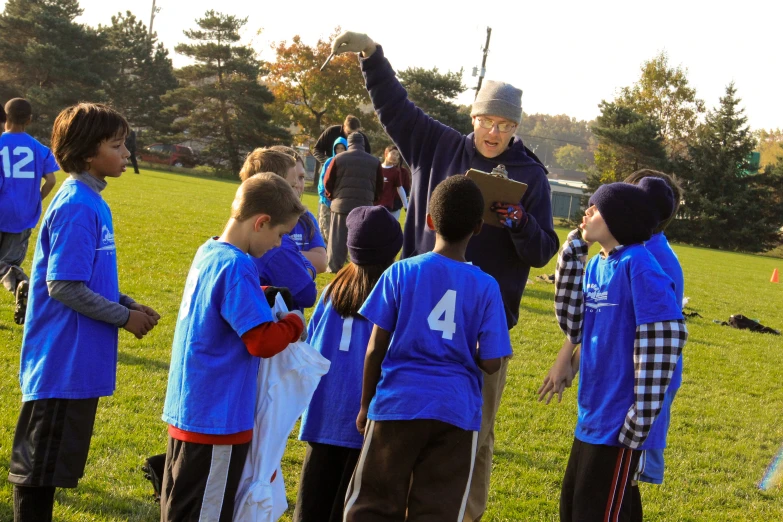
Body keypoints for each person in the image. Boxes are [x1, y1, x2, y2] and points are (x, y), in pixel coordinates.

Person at [331, 31, 559, 520]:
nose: (492, 133)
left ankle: (462, 512)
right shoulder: (438, 145)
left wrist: (520, 224)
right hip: (415, 320)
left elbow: (543, 252)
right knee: (401, 424)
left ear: (515, 127)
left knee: (473, 432)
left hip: (480, 331)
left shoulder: (531, 175)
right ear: (472, 118)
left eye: (503, 125)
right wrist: (372, 55)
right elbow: (395, 106)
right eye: (485, 121)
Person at [7, 103, 160, 522]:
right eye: (117, 144)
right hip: (61, 364)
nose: (127, 152)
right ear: (89, 153)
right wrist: (123, 318)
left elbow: (84, 278)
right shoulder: (77, 204)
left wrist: (126, 302)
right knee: (36, 474)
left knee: (50, 470)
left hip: (76, 363)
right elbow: (62, 287)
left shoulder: (90, 199)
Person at [343, 175, 512, 521]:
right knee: (437, 509)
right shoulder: (487, 286)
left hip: (397, 405)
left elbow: (376, 347)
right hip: (456, 411)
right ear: (479, 228)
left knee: (373, 503)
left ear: (430, 221)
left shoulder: (401, 272)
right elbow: (493, 363)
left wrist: (365, 403)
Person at [160, 173, 307, 522]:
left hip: (189, 407)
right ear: (261, 222)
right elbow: (262, 341)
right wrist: (294, 323)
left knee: (180, 507)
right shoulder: (238, 265)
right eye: (280, 235)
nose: (277, 244)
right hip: (218, 419)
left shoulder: (209, 250)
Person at [540, 170, 686, 521]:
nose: (586, 212)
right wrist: (572, 250)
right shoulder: (597, 265)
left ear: (619, 219)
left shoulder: (641, 266)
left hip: (619, 424)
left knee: (599, 512)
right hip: (590, 413)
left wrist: (638, 419)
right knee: (575, 507)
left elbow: (665, 339)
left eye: (596, 207)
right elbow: (573, 322)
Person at [294, 205, 403, 522]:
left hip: (322, 415)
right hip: (363, 421)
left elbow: (309, 346)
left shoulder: (331, 291)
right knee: (351, 506)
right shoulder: (391, 295)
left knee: (314, 500)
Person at [0, 98, 59, 324]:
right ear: (29, 120)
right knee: (9, 262)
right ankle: (18, 282)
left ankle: (15, 278)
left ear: (6, 118)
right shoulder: (39, 148)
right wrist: (36, 199)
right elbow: (51, 180)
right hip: (23, 215)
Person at [240, 148, 318, 309]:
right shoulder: (277, 247)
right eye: (291, 185)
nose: (297, 190)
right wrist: (307, 267)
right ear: (273, 187)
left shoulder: (212, 250)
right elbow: (307, 294)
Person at [323, 132, 384, 273]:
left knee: (337, 240)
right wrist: (372, 200)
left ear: (348, 143)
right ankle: (360, 266)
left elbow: (327, 181)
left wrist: (332, 196)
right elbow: (380, 186)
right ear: (362, 144)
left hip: (341, 204)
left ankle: (334, 267)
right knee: (361, 238)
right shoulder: (374, 161)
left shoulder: (338, 158)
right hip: (364, 206)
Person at [270, 145, 328, 273]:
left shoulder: (307, 219)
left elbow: (322, 262)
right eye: (292, 178)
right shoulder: (265, 219)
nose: (297, 184)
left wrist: (283, 255)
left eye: (301, 177)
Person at [317, 137, 348, 244]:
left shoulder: (347, 163)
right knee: (323, 225)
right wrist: (324, 195)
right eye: (337, 148)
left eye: (342, 148)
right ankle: (325, 249)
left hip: (339, 201)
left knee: (337, 228)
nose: (339, 151)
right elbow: (322, 180)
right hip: (326, 200)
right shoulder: (329, 162)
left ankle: (333, 249)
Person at [377, 145, 409, 219]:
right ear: (386, 153)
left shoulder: (396, 172)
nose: (396, 157)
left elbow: (400, 188)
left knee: (389, 228)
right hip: (375, 205)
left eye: (398, 155)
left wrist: (406, 206)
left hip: (388, 206)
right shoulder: (377, 168)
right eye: (393, 153)